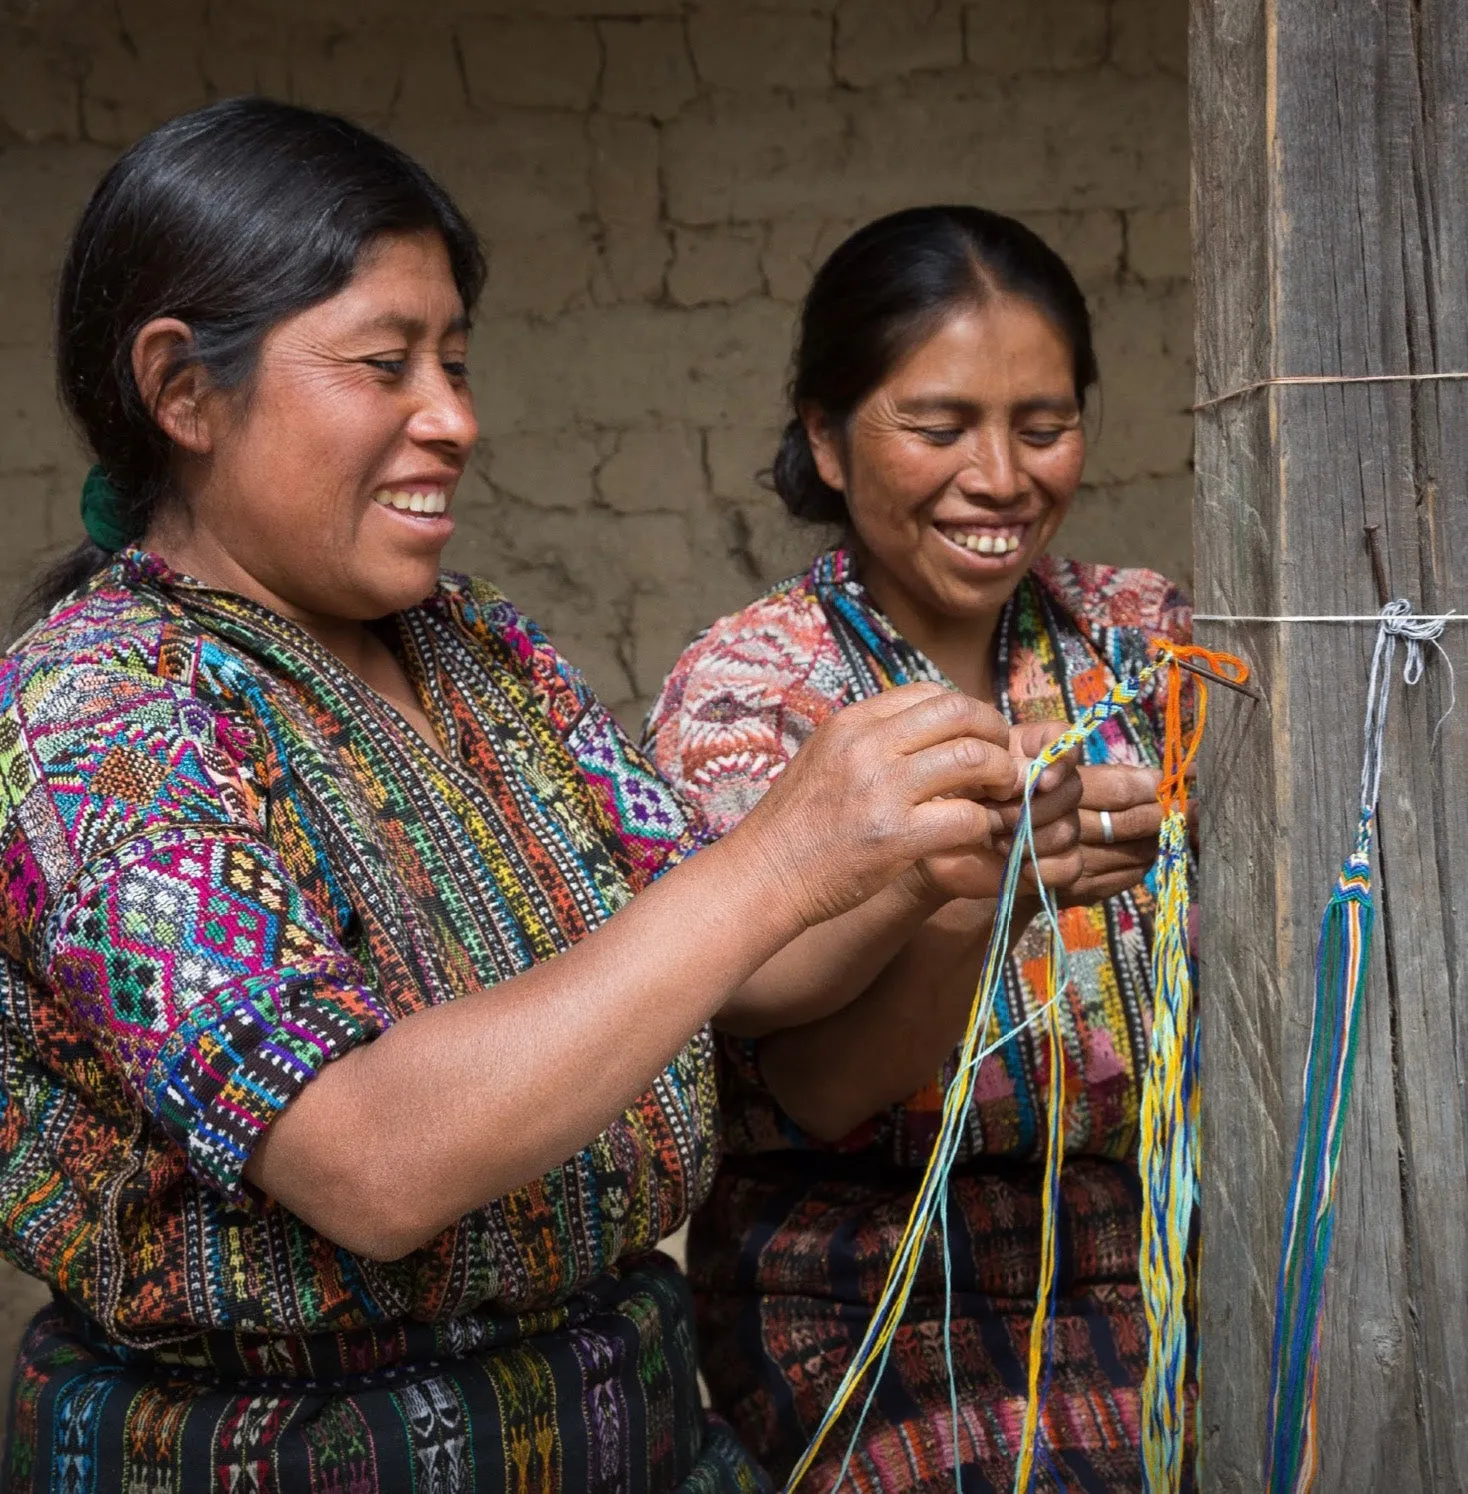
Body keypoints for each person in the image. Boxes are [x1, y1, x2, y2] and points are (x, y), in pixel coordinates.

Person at [0, 107, 1089, 1494]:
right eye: (386, 363)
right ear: (183, 386)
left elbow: (732, 974)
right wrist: (777, 859)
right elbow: (370, 1158)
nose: (455, 418)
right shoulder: (94, 718)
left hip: (637, 1431)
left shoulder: (477, 653)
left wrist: (937, 854)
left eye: (453, 361)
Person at [644, 206, 1194, 1492]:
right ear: (828, 439)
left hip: (1140, 1255)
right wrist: (969, 899)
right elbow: (801, 1064)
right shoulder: (755, 690)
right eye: (938, 428)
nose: (999, 477)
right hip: (856, 1280)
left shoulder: (1141, 642)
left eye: (1043, 427)